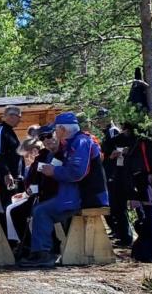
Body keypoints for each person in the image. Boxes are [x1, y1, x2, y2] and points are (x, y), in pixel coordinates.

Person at [19, 113, 109, 268]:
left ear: (62, 129)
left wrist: (53, 171)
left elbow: (77, 173)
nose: (54, 132)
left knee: (41, 211)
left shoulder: (81, 142)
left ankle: (43, 254)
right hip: (78, 195)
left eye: (55, 129)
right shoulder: (74, 142)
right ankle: (42, 251)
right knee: (41, 208)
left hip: (88, 196)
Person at [97, 109, 133, 247]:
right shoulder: (108, 132)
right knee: (114, 206)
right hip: (111, 172)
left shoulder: (113, 131)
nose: (101, 120)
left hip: (115, 173)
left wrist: (112, 158)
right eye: (99, 118)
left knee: (118, 206)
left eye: (103, 117)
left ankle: (125, 237)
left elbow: (120, 149)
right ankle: (120, 233)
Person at [0, 105, 24, 193]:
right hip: (7, 179)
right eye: (19, 117)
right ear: (11, 116)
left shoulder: (10, 131)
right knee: (9, 201)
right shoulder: (0, 130)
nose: (20, 120)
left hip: (16, 177)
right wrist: (6, 173)